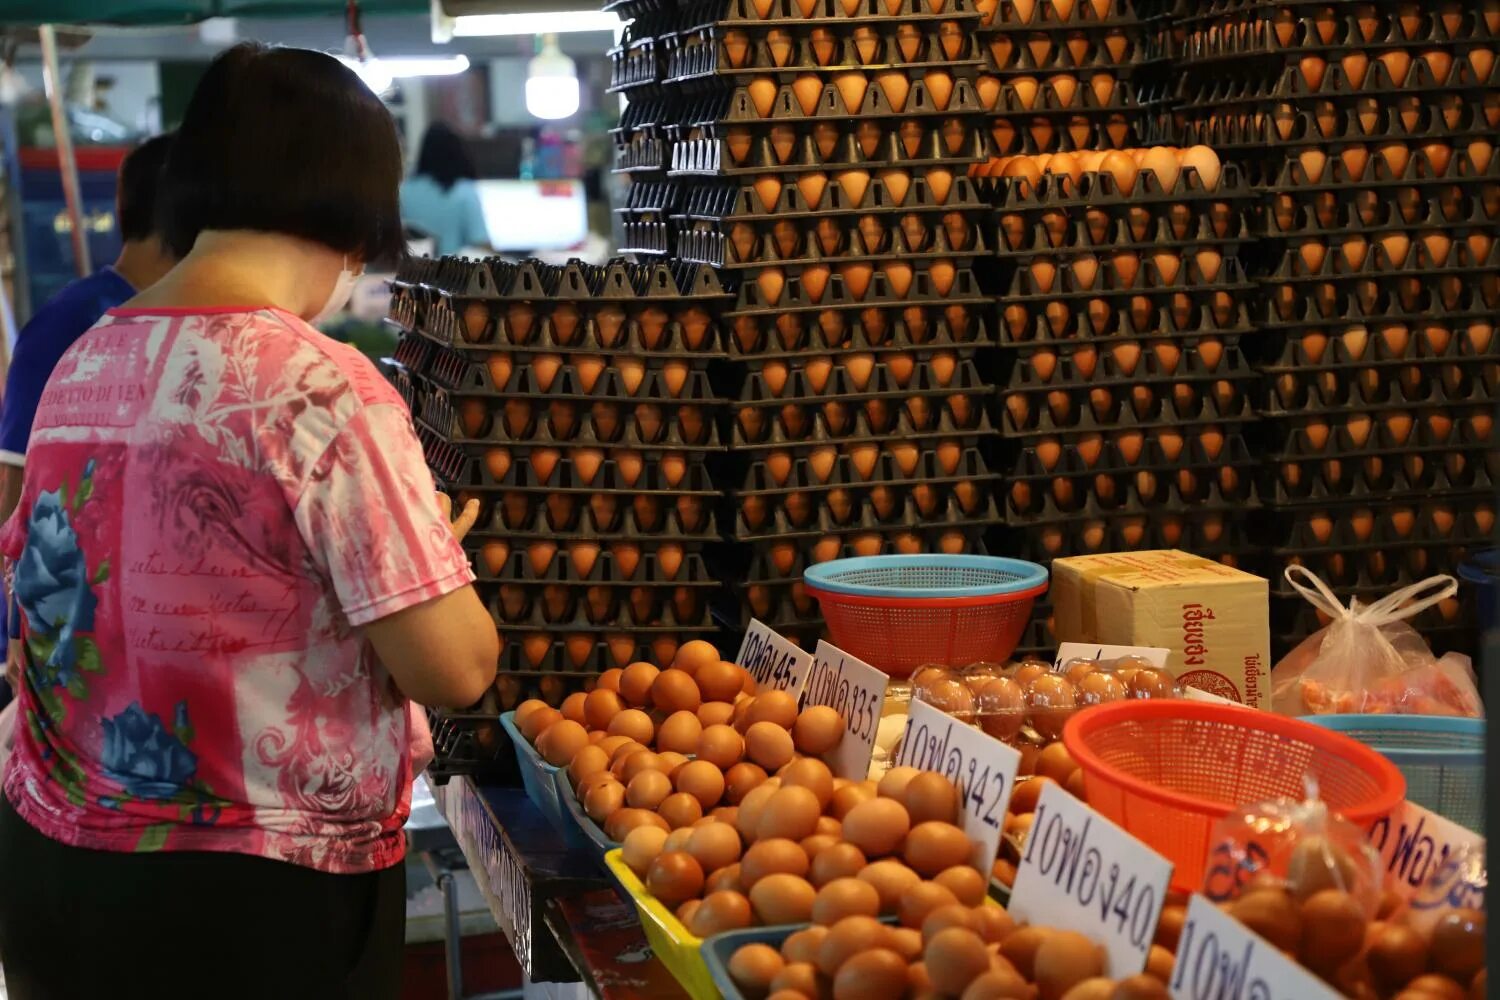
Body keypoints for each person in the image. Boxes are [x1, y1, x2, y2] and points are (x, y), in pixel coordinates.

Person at [0, 43, 498, 999]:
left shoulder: (83, 364)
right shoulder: (323, 389)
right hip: (253, 903)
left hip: (55, 873)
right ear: (352, 207)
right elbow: (454, 667)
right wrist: (427, 548)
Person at [0, 135, 176, 709]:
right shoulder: (75, 321)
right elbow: (14, 490)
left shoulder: (174, 321)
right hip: (66, 648)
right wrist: (17, 638)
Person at [399, 122, 493, 255]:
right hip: (455, 272)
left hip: (414, 271)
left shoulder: (405, 191)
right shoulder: (464, 191)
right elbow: (481, 243)